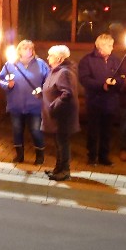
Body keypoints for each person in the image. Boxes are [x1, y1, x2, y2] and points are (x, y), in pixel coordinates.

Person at [0, 39, 49, 165]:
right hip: (16, 104)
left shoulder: (40, 64)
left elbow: (49, 80)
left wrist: (43, 91)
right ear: (19, 50)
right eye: (25, 48)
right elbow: (0, 78)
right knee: (17, 130)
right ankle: (19, 155)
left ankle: (40, 156)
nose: (28, 51)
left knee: (36, 130)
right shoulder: (10, 64)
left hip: (35, 105)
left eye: (30, 48)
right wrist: (7, 85)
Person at [78, 32, 122, 166]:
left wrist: (116, 82)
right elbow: (84, 79)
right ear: (100, 47)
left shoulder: (115, 60)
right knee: (93, 131)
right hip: (95, 102)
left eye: (112, 45)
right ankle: (92, 156)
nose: (112, 48)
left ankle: (104, 156)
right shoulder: (87, 60)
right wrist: (102, 84)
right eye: (109, 45)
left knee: (107, 131)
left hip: (110, 102)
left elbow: (122, 77)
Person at [41, 44, 79, 182]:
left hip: (62, 116)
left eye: (50, 55)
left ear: (59, 58)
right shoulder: (55, 70)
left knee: (63, 143)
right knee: (58, 143)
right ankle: (58, 168)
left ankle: (65, 171)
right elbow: (52, 88)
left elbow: (67, 93)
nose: (48, 57)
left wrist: (53, 106)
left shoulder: (64, 72)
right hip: (55, 116)